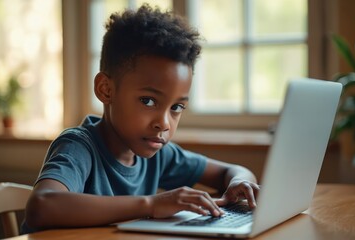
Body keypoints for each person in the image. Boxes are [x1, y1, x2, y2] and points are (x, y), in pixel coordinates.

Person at [22, 4, 259, 233]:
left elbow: (233, 171)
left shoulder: (158, 154)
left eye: (176, 107)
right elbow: (42, 206)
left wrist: (240, 183)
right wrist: (152, 204)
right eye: (148, 101)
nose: (164, 123)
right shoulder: (79, 147)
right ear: (106, 90)